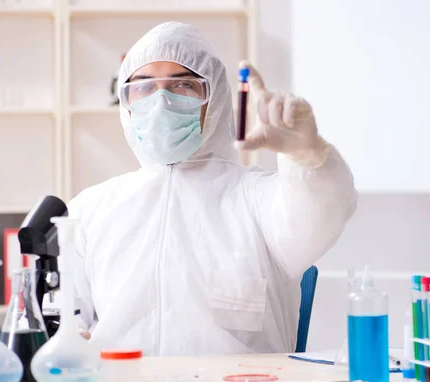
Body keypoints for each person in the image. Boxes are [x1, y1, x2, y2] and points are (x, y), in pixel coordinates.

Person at [69, 21, 357, 356]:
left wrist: (308, 155)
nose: (161, 100)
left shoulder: (258, 199)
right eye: (145, 87)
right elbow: (66, 316)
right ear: (126, 102)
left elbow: (323, 211)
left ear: (215, 98)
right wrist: (70, 340)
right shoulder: (91, 210)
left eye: (184, 85)